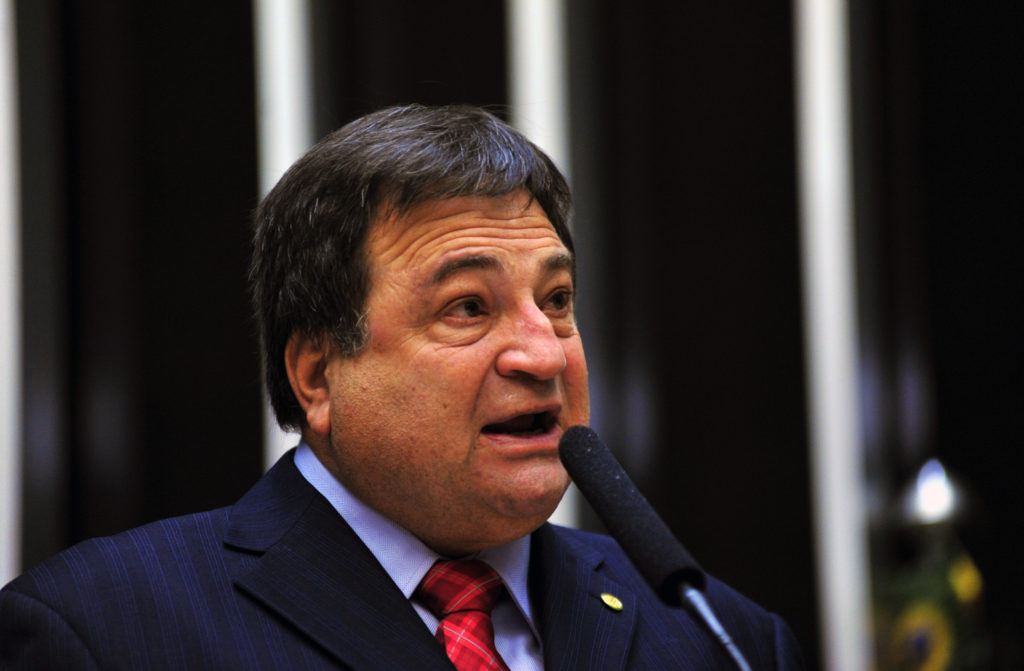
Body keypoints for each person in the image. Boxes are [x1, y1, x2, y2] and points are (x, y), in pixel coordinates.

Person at [0, 104, 804, 669]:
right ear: (317, 374)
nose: (544, 354)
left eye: (557, 300)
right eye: (468, 307)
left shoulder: (723, 638)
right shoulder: (101, 631)